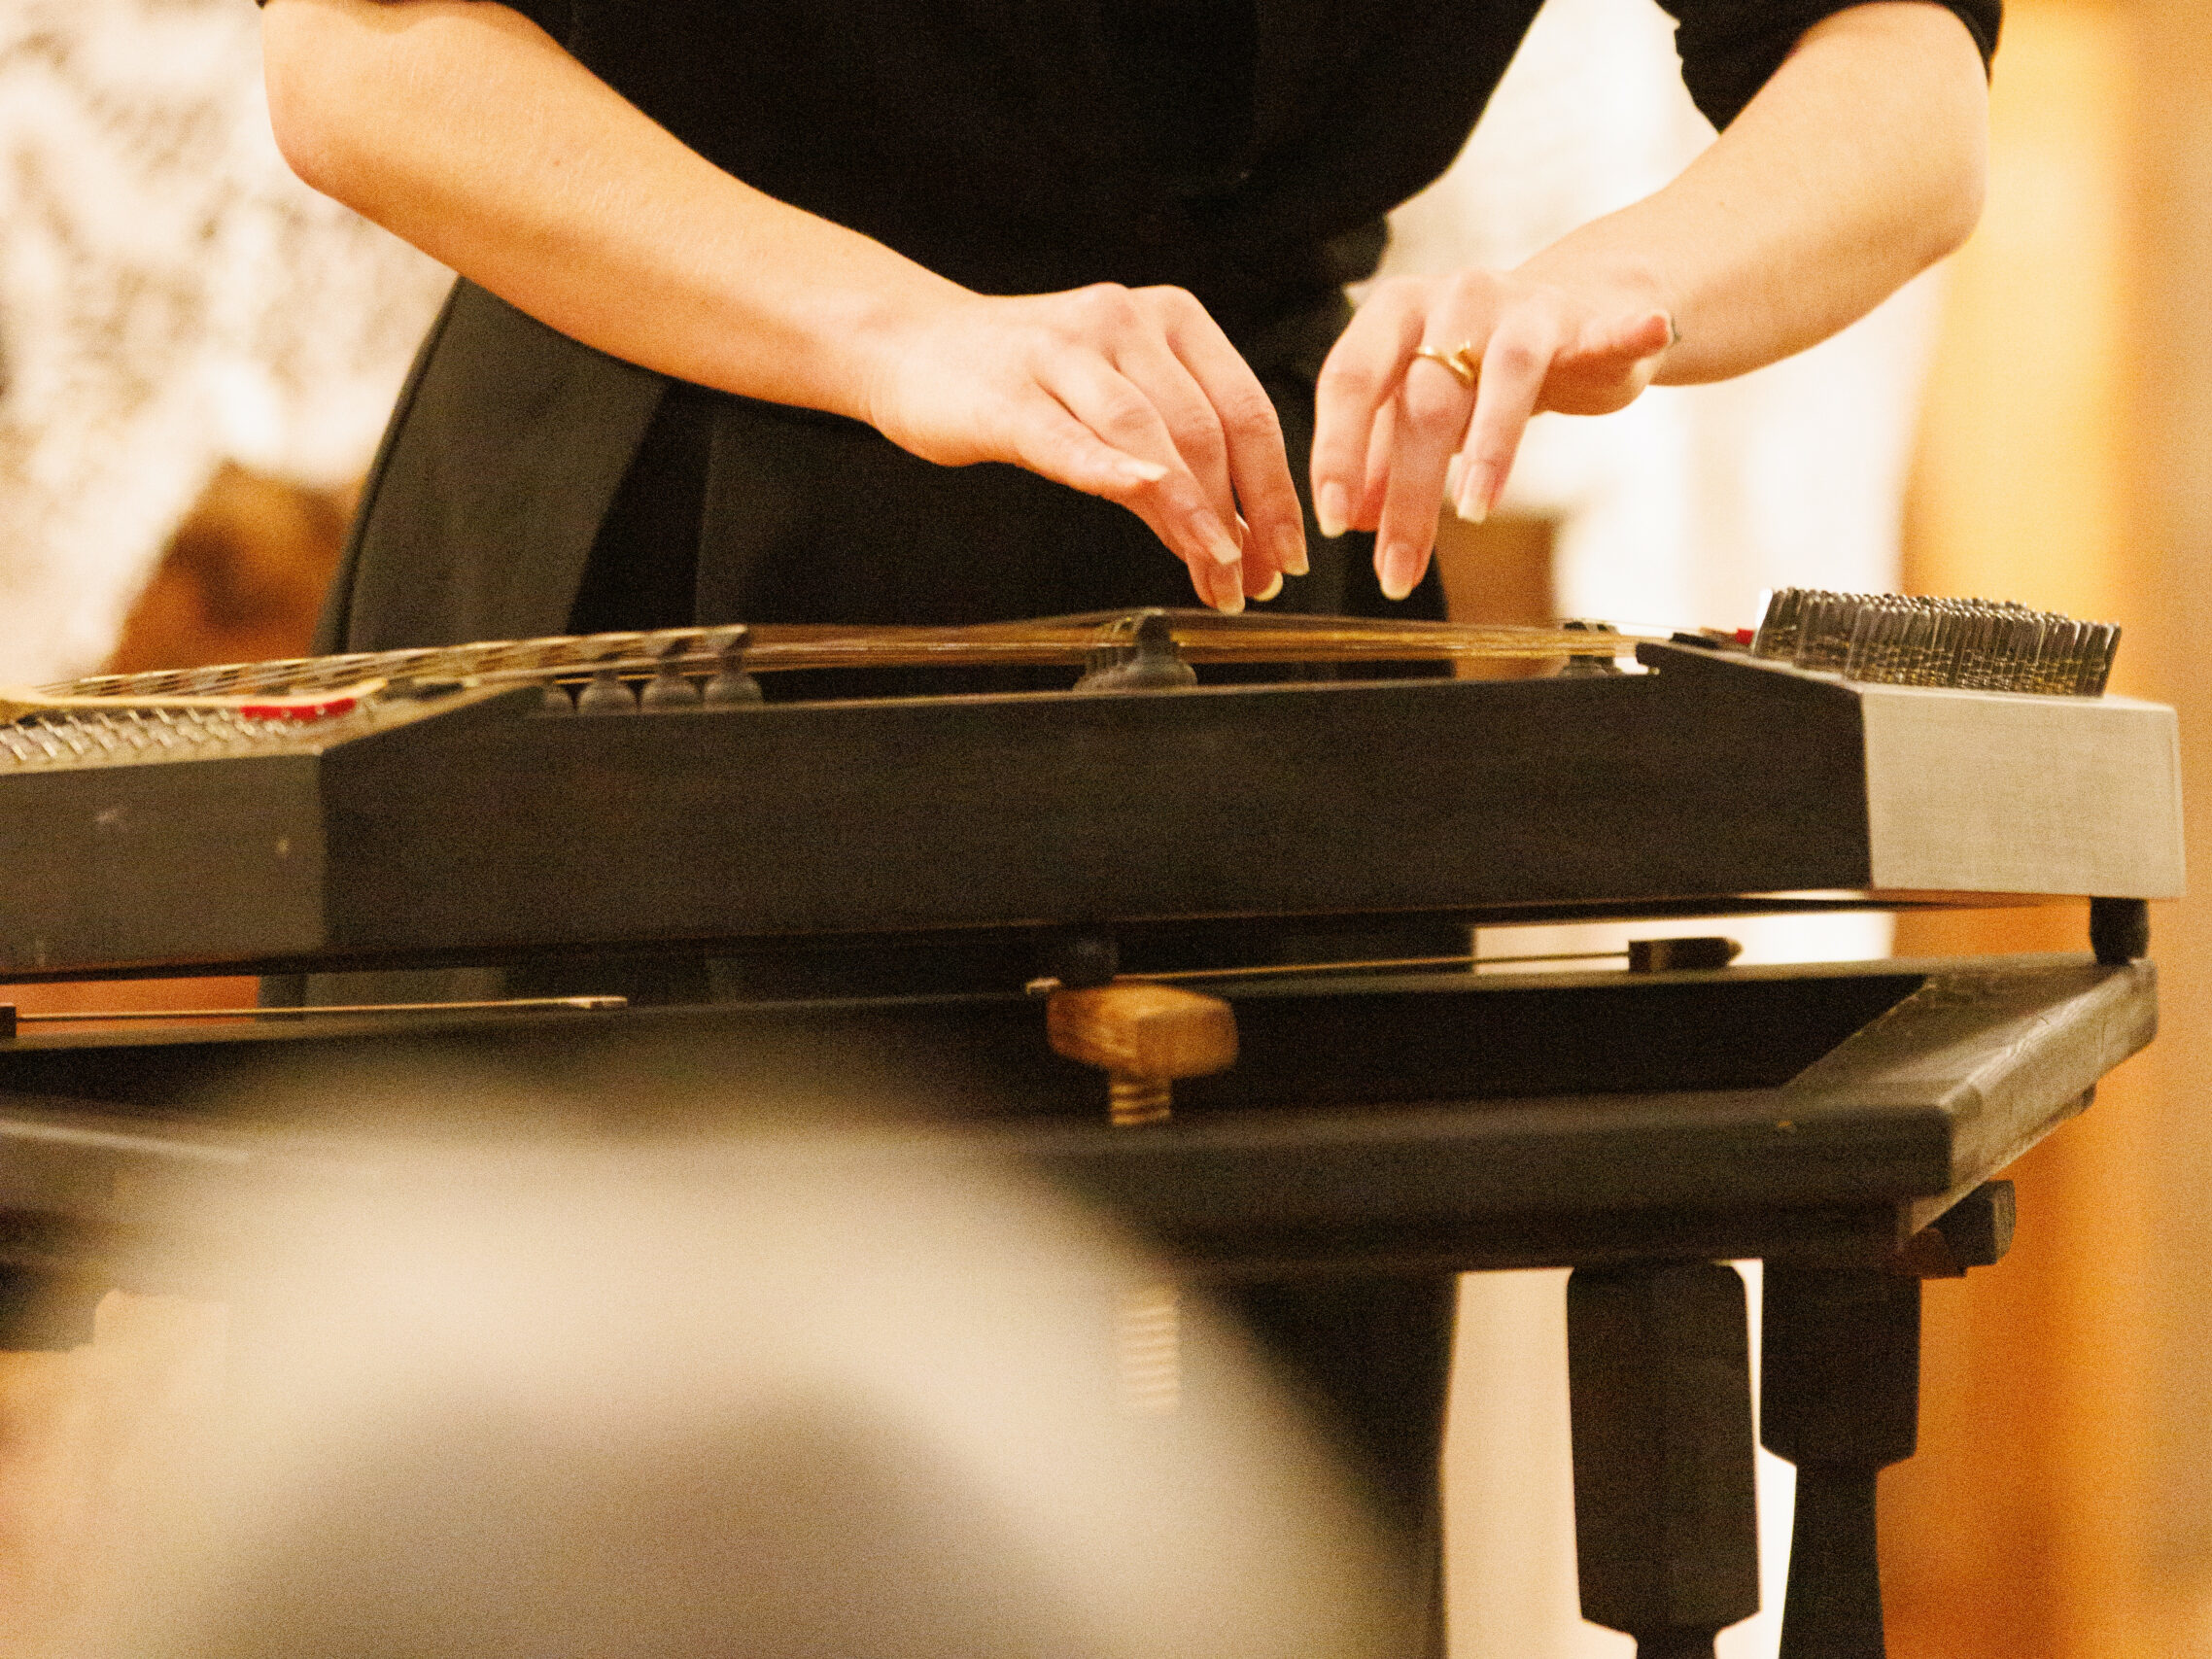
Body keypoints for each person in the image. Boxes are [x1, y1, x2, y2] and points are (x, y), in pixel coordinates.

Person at [252, 0, 1998, 1647]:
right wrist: (892, 329)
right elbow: (362, 51)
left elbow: (1896, 65)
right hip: (665, 559)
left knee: (1292, 1529)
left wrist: (1626, 280)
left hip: (1273, 606)